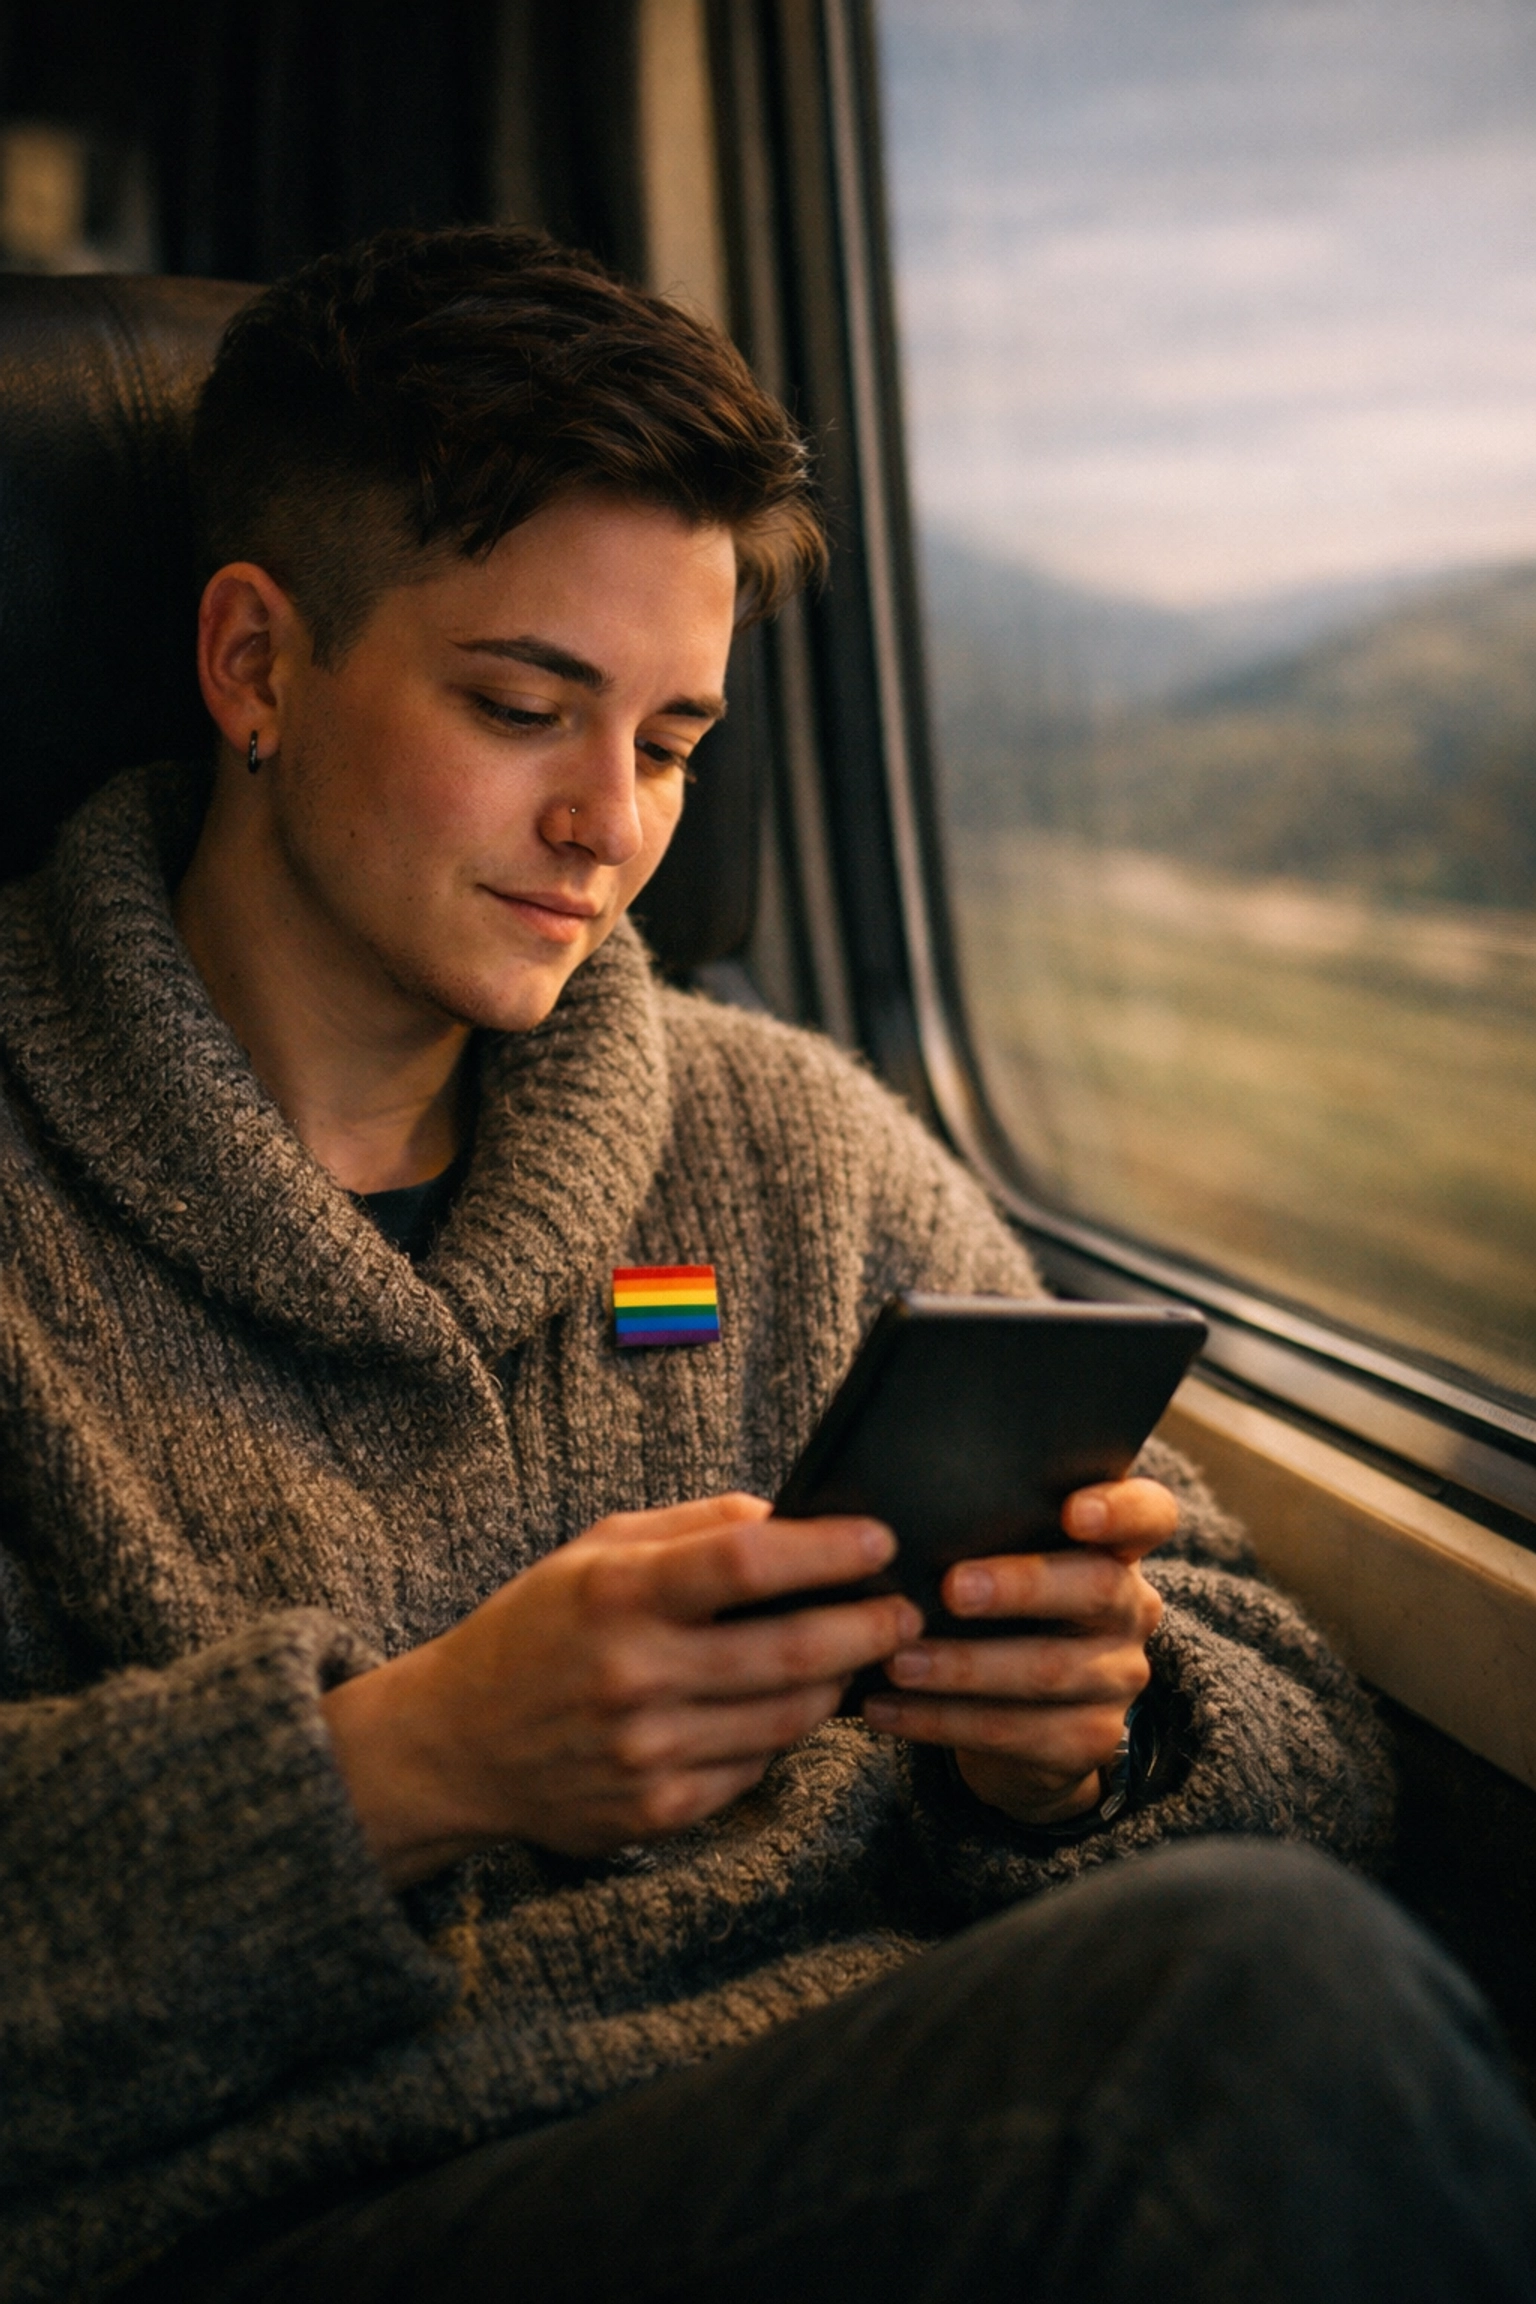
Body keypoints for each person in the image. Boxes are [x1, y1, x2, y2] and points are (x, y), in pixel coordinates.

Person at [0, 226, 1530, 2304]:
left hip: (851, 2132)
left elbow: (1309, 1749)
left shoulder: (790, 1145)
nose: (607, 827)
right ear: (258, 665)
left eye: (670, 743)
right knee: (1241, 2031)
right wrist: (410, 1767)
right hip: (274, 2211)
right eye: (525, 707)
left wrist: (1077, 1751)